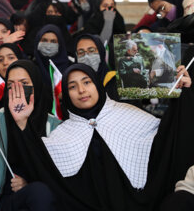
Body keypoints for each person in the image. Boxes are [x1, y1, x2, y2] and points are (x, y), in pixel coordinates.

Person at [42, 62, 194, 211]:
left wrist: (182, 97)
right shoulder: (61, 134)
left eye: (87, 82)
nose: (81, 90)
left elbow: (166, 140)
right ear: (66, 94)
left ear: (97, 84)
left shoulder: (126, 112)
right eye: (72, 86)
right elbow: (41, 164)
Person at [0, 60, 61, 211]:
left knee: (39, 193)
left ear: (37, 85)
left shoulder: (54, 126)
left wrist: (28, 184)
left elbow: (56, 176)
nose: (17, 90)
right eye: (11, 86)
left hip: (42, 200)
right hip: (4, 201)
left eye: (24, 83)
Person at [74, 33, 119, 100]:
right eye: (81, 52)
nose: (86, 56)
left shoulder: (115, 80)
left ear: (101, 52)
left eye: (91, 50)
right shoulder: (73, 83)